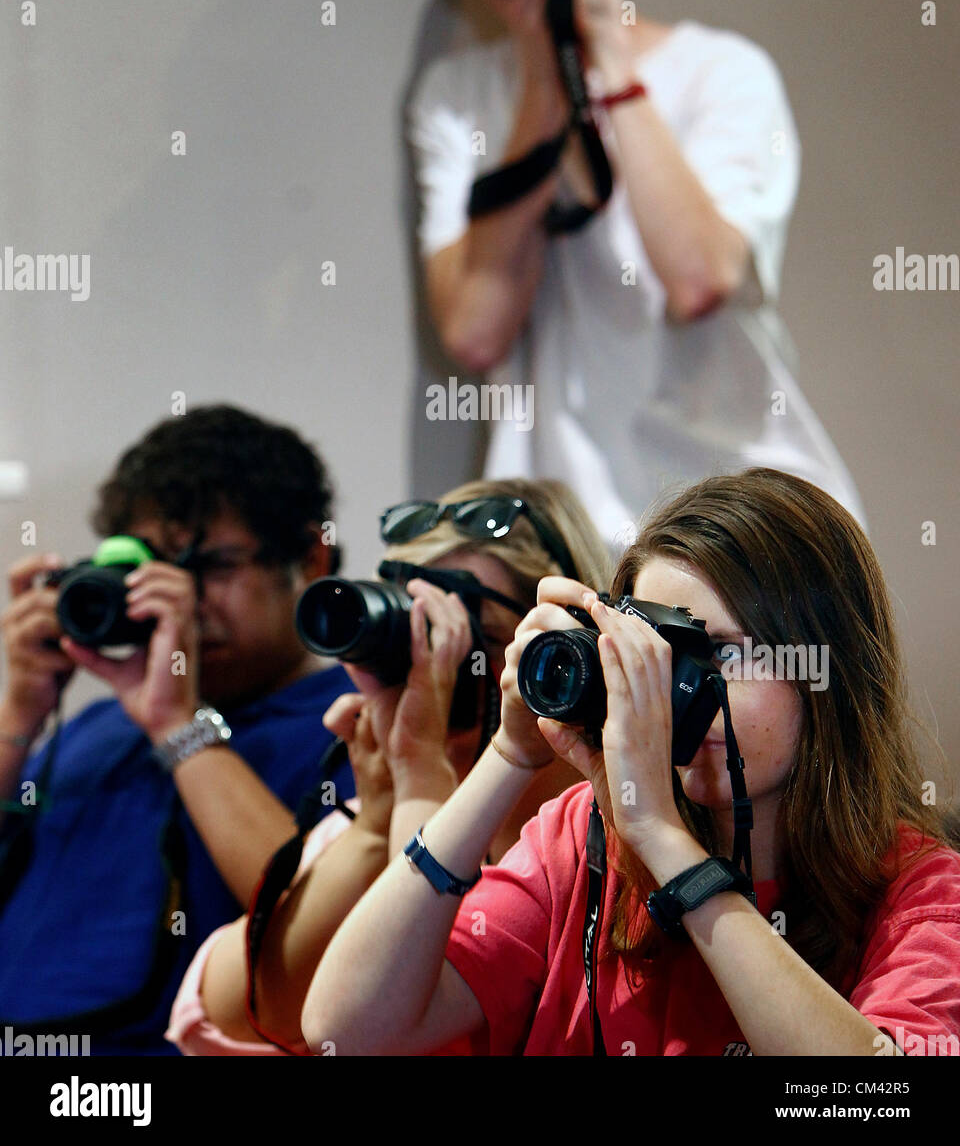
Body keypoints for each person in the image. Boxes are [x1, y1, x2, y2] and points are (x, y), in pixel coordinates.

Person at [302, 467, 960, 1057]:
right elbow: (347, 1028)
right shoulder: (582, 841)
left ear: (828, 674)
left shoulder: (924, 892)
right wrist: (509, 753)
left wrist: (665, 841)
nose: (685, 691)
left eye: (724, 655)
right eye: (660, 654)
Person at [409, 0, 865, 548]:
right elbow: (478, 331)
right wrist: (541, 69)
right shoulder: (457, 98)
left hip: (750, 532)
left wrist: (606, 49)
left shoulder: (722, 70)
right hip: (567, 539)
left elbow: (697, 279)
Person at [165, 477, 611, 1054]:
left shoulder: (594, 840)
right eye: (419, 637)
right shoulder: (386, 804)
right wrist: (376, 825)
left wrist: (427, 784)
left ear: (563, 649)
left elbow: (406, 1026)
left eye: (476, 641)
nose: (439, 673)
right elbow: (229, 1015)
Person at [0, 404, 355, 1055]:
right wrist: (16, 717)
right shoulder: (98, 725)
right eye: (156, 567)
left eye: (214, 566)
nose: (182, 598)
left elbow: (334, 937)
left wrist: (179, 726)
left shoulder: (357, 722)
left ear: (310, 558)